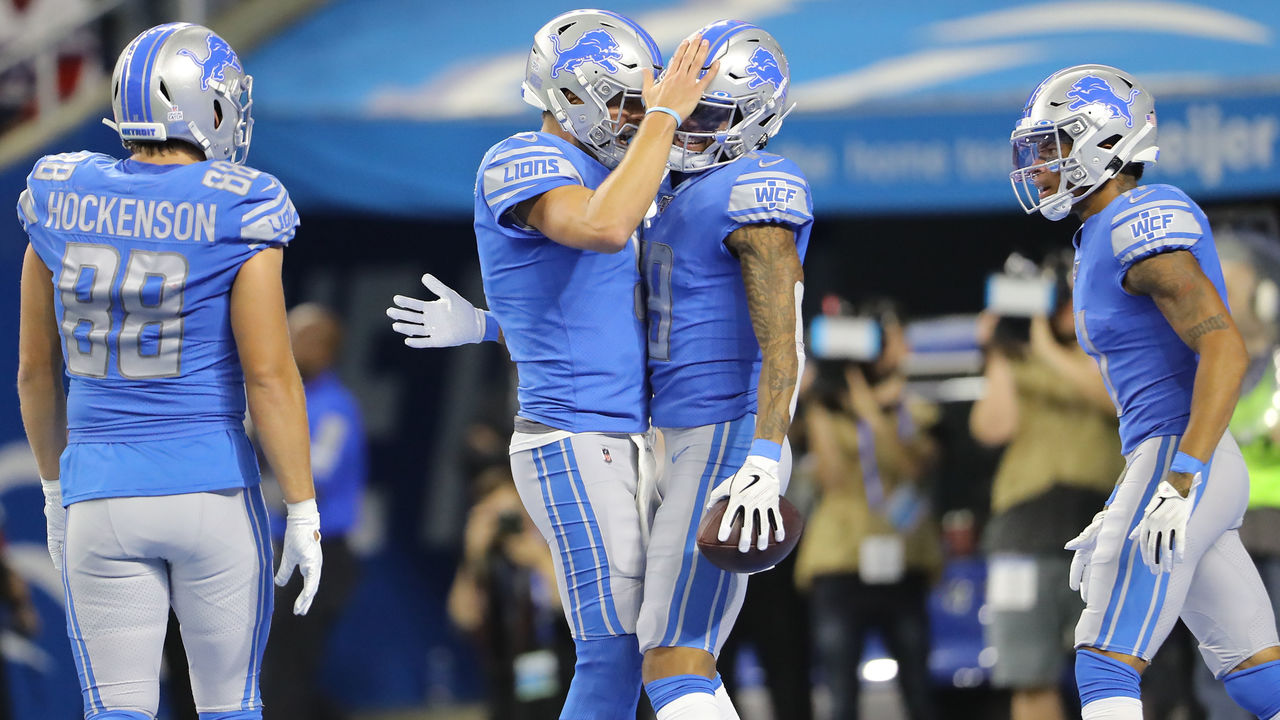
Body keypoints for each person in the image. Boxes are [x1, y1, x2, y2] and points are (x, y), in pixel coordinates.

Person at [386, 9, 714, 718]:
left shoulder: (607, 173)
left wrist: (488, 325)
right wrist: (662, 118)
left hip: (620, 434)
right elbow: (600, 227)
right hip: (572, 437)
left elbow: (583, 317)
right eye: (623, 99)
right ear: (569, 94)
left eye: (639, 100)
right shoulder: (521, 159)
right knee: (616, 647)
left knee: (639, 641)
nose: (633, 114)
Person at [15, 22, 321, 720]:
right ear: (204, 106)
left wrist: (53, 489)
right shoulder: (240, 201)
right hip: (209, 491)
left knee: (117, 712)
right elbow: (270, 375)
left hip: (100, 494)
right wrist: (302, 506)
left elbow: (35, 373)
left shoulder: (60, 191)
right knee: (230, 708)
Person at [1010, 63, 1280, 720]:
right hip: (1178, 460)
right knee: (1256, 678)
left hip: (1184, 456)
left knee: (1104, 660)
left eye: (1053, 146)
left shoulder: (1140, 216)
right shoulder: (1100, 231)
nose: (1040, 166)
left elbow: (1224, 345)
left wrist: (1179, 480)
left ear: (1104, 142)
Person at [633, 21, 811, 719]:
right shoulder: (674, 193)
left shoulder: (759, 185)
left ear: (755, 116)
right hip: (677, 433)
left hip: (727, 432)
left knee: (676, 654)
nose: (686, 128)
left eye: (708, 114)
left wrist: (765, 454)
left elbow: (783, 338)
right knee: (665, 649)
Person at [969, 252, 1124, 720]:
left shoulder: (1111, 357)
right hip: (1023, 533)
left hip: (1101, 531)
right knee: (1029, 674)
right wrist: (998, 350)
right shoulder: (1017, 363)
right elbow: (993, 427)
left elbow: (1114, 401)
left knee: (1114, 673)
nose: (1059, 313)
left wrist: (1048, 348)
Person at [796, 299, 942, 720]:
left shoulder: (914, 408)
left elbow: (913, 468)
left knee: (918, 689)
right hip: (840, 561)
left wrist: (871, 411)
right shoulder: (826, 406)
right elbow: (832, 477)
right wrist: (821, 404)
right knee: (840, 695)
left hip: (905, 559)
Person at [259, 303, 368, 720]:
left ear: (325, 349)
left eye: (299, 337)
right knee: (282, 662)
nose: (286, 342)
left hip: (323, 555)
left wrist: (263, 434)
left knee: (290, 664)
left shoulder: (335, 407)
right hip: (284, 545)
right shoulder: (289, 400)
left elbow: (315, 471)